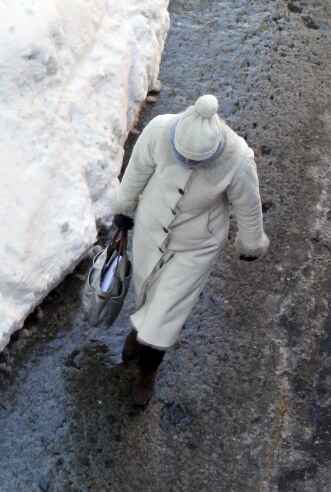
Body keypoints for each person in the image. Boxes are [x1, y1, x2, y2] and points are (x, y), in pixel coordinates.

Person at [112, 94, 269, 407]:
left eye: (198, 161)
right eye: (184, 158)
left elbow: (248, 206)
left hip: (197, 246)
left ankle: (147, 372)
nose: (190, 165)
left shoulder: (237, 159)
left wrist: (251, 242)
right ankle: (140, 327)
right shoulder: (159, 130)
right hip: (151, 226)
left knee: (167, 310)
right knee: (145, 288)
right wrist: (123, 214)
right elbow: (136, 173)